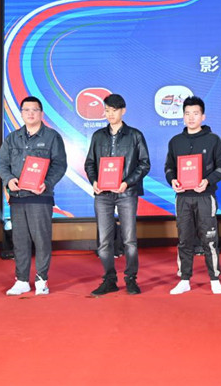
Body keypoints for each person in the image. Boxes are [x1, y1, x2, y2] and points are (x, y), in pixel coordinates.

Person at [0, 96, 68, 296]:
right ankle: (21, 280)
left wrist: (47, 183)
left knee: (41, 239)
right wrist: (9, 180)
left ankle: (41, 280)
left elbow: (60, 165)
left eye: (34, 110)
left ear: (41, 113)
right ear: (21, 113)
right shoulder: (13, 138)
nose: (30, 113)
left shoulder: (52, 137)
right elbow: (1, 163)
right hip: (18, 197)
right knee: (20, 240)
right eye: (26, 110)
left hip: (40, 197)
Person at [84, 94, 150, 296]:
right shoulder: (98, 136)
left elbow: (144, 164)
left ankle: (131, 279)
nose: (110, 114)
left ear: (123, 111)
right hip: (103, 194)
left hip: (126, 192)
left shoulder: (135, 135)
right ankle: (109, 279)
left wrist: (126, 182)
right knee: (104, 241)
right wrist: (94, 181)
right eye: (107, 110)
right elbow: (90, 163)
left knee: (129, 240)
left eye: (114, 110)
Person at [164, 96, 221, 295]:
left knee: (209, 239)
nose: (191, 117)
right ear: (183, 116)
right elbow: (169, 167)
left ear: (203, 116)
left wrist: (207, 181)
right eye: (187, 114)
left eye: (195, 113)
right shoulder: (175, 142)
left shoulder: (213, 140)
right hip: (183, 198)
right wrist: (172, 180)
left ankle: (215, 278)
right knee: (184, 239)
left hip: (205, 197)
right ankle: (184, 279)